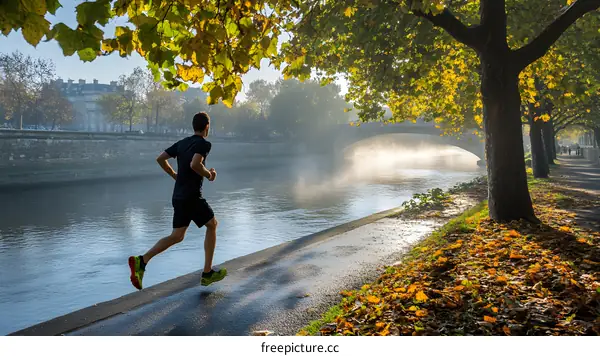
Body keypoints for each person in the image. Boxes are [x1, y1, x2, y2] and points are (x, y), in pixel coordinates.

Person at [128, 112, 226, 290]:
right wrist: (210, 175)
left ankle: (142, 261)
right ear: (207, 127)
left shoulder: (182, 143)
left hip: (179, 196)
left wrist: (174, 175)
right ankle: (207, 273)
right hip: (192, 196)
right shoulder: (204, 143)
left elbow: (160, 159)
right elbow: (195, 164)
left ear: (193, 126)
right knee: (212, 224)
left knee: (177, 236)